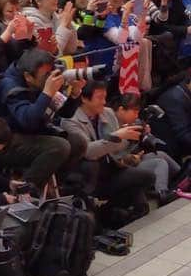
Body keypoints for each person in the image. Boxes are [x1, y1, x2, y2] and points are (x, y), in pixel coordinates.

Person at [0, 49, 86, 189]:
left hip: (29, 132)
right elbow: (27, 120)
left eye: (51, 72)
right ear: (28, 76)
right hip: (2, 142)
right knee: (59, 147)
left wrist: (75, 93)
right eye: (45, 75)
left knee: (77, 142)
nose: (50, 77)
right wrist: (47, 93)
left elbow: (65, 113)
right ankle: (25, 191)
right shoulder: (10, 86)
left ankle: (51, 186)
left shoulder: (39, 82)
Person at [63, 82, 154, 221]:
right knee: (136, 189)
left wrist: (131, 135)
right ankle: (110, 213)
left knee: (147, 177)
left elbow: (120, 146)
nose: (104, 102)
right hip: (90, 175)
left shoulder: (108, 113)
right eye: (99, 98)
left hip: (113, 167)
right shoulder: (71, 121)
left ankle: (113, 212)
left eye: (105, 97)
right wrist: (116, 136)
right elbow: (87, 151)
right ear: (85, 99)